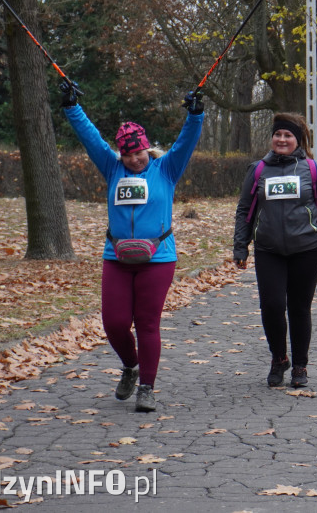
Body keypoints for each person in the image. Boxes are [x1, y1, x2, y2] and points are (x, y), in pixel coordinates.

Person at [59, 80, 204, 412]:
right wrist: (71, 107)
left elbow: (186, 142)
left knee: (147, 322)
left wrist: (196, 113)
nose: (135, 159)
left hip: (158, 257)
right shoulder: (112, 168)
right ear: (120, 153)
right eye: (128, 153)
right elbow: (90, 138)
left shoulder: (166, 169)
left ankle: (147, 388)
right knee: (113, 322)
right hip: (117, 257)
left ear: (147, 148)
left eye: (139, 152)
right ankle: (131, 365)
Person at [233, 113, 317, 389]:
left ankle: (300, 366)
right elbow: (245, 210)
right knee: (271, 306)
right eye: (278, 135)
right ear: (272, 138)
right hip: (268, 248)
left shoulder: (312, 169)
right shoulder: (258, 169)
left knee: (298, 308)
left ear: (298, 141)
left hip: (307, 248)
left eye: (288, 136)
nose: (282, 140)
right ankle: (279, 358)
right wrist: (240, 246)